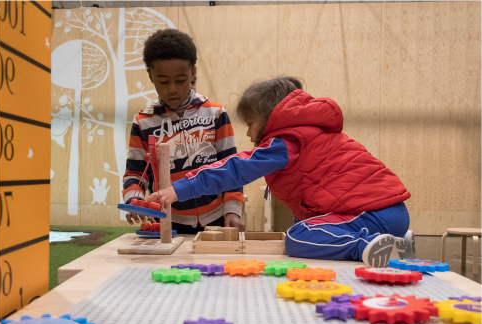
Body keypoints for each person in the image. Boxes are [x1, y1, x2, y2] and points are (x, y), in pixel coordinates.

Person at [149, 76, 416, 267]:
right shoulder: (308, 135)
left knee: (296, 239)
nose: (248, 132)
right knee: (305, 229)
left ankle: (370, 246)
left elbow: (236, 168)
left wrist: (178, 190)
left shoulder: (286, 142)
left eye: (251, 123)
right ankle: (393, 242)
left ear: (268, 118)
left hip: (372, 214)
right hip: (385, 212)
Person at [122, 29, 244, 233]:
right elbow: (135, 172)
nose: (172, 89)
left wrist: (232, 209)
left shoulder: (216, 114)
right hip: (168, 220)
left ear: (193, 73)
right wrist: (133, 198)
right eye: (163, 81)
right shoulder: (142, 123)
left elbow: (232, 167)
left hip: (217, 217)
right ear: (150, 75)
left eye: (180, 80)